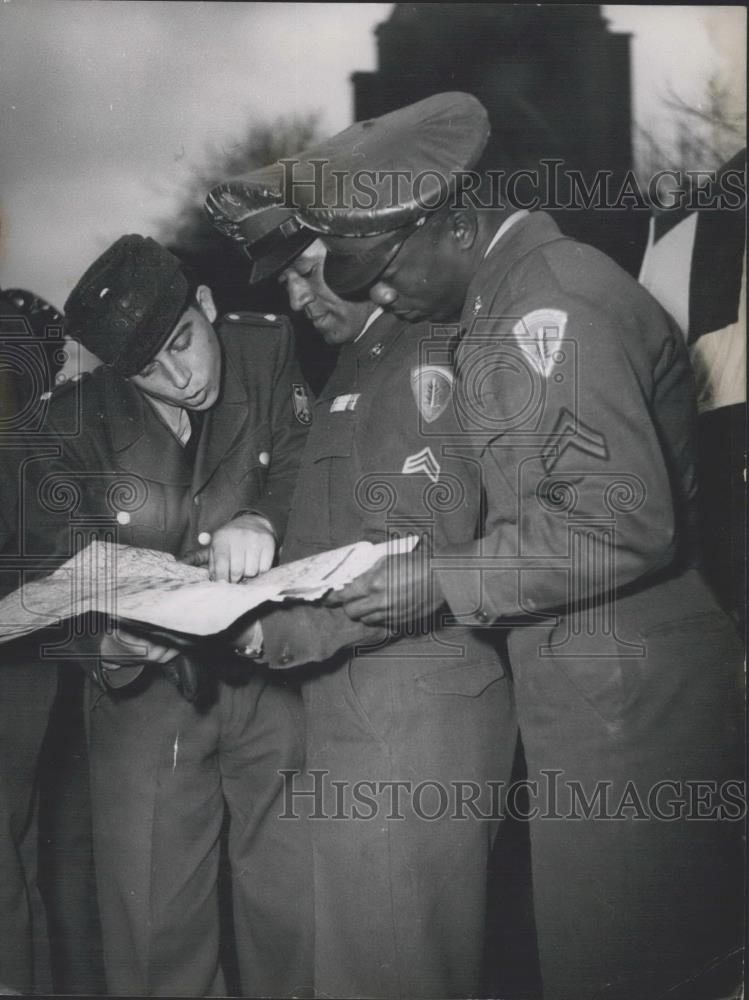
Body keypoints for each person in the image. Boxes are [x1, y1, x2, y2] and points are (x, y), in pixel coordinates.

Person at [281, 93, 745, 1000]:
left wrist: (441, 584)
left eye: (380, 274)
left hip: (630, 704)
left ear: (453, 222)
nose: (378, 296)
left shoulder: (553, 303)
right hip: (588, 689)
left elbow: (620, 521)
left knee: (633, 974)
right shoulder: (504, 301)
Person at [206, 173, 517, 999]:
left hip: (414, 717)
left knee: (396, 970)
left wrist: (271, 632)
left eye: (312, 269)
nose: (301, 296)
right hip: (359, 713)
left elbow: (416, 553)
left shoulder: (422, 354)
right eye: (287, 282)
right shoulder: (356, 361)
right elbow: (325, 545)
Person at [20, 236, 313, 997]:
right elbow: (57, 571)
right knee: (155, 938)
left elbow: (299, 455)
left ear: (207, 306)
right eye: (151, 370)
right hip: (143, 706)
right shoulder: (69, 424)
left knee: (295, 912)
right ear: (120, 374)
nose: (183, 377)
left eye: (186, 341)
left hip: (267, 678)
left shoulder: (264, 347)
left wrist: (264, 517)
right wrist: (106, 640)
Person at [0, 288, 103, 994]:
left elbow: (55, 540)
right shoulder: (38, 426)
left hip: (21, 663)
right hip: (43, 666)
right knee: (33, 856)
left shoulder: (22, 430)